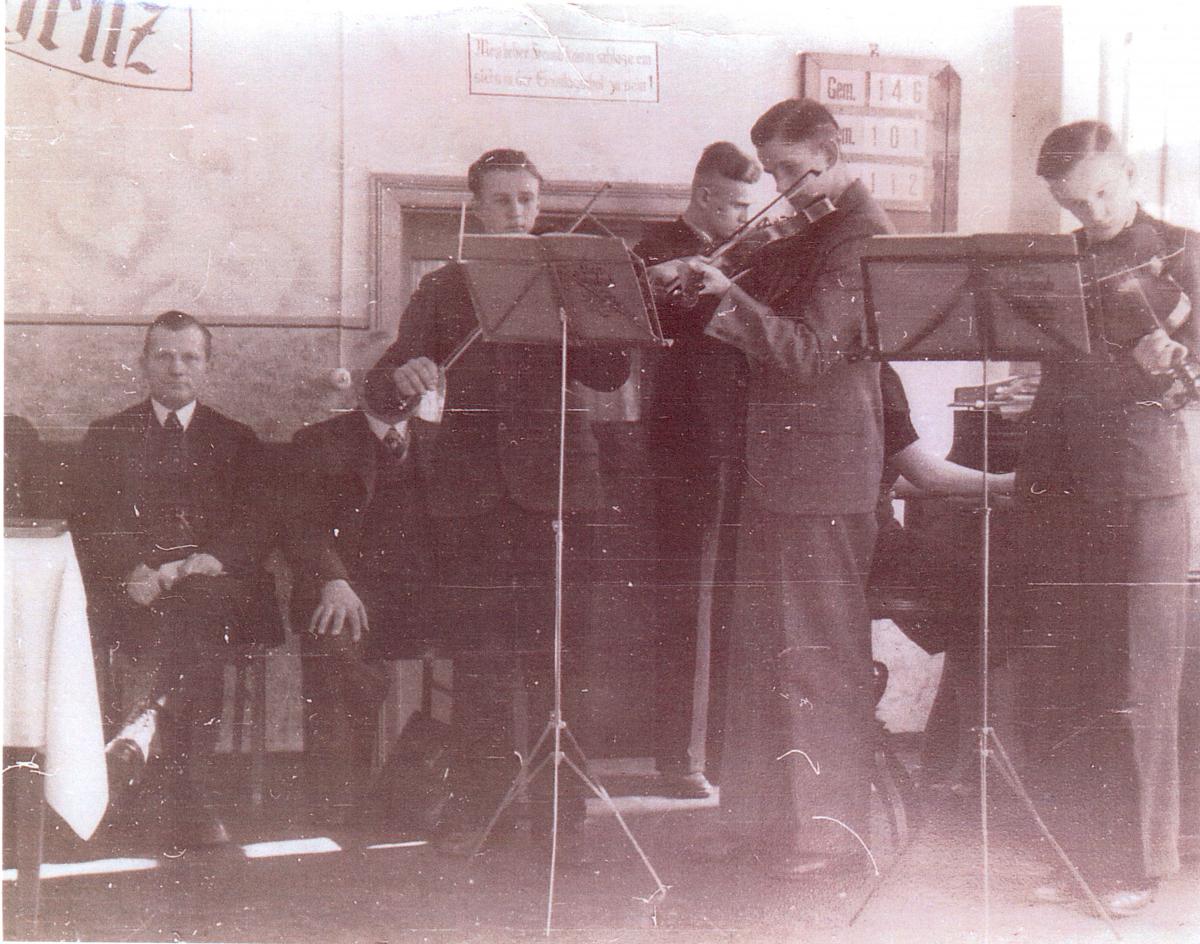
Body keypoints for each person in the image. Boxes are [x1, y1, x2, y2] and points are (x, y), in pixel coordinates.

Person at [363, 149, 629, 848]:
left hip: (559, 493)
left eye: (528, 199)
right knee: (480, 661)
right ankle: (479, 809)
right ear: (474, 208)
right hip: (471, 500)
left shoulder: (565, 278)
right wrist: (405, 374)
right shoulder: (444, 289)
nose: (517, 212)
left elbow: (610, 371)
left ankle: (558, 817)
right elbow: (385, 382)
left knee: (558, 659)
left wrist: (593, 300)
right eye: (502, 200)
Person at [656, 99, 893, 878]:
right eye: (776, 174)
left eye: (792, 171)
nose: (782, 190)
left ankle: (829, 832)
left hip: (823, 476)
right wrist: (702, 276)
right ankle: (758, 819)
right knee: (760, 655)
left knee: (817, 658)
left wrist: (729, 297)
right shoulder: (809, 233)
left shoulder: (857, 238)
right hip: (776, 469)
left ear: (833, 152)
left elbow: (810, 352)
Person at [1013, 120, 1196, 916]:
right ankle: (1084, 851)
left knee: (1138, 678)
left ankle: (1137, 863)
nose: (1095, 213)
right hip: (1059, 480)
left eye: (1104, 192)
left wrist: (1181, 365)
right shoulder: (1059, 261)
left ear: (1130, 169)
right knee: (1075, 672)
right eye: (1074, 203)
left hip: (1143, 482)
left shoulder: (1188, 252)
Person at [72, 310, 282, 850]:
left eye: (190, 356)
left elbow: (259, 520)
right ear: (144, 363)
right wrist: (131, 568)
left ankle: (150, 742)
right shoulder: (109, 435)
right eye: (164, 355)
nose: (177, 368)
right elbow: (91, 518)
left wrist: (215, 556)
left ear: (208, 367)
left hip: (217, 588)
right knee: (183, 620)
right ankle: (185, 785)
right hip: (137, 589)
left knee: (199, 606)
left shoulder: (237, 439)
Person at [632, 142, 759, 799]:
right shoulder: (654, 247)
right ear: (707, 199)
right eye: (738, 205)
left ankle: (723, 754)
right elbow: (654, 309)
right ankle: (680, 758)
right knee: (686, 601)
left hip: (742, 445)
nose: (747, 217)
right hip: (681, 445)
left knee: (732, 602)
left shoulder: (750, 251)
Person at [285, 403, 437, 822]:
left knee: (490, 640)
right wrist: (333, 579)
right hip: (350, 588)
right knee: (334, 634)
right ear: (364, 388)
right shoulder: (319, 440)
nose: (398, 396)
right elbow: (301, 525)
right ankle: (338, 799)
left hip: (425, 592)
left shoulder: (444, 438)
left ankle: (457, 794)